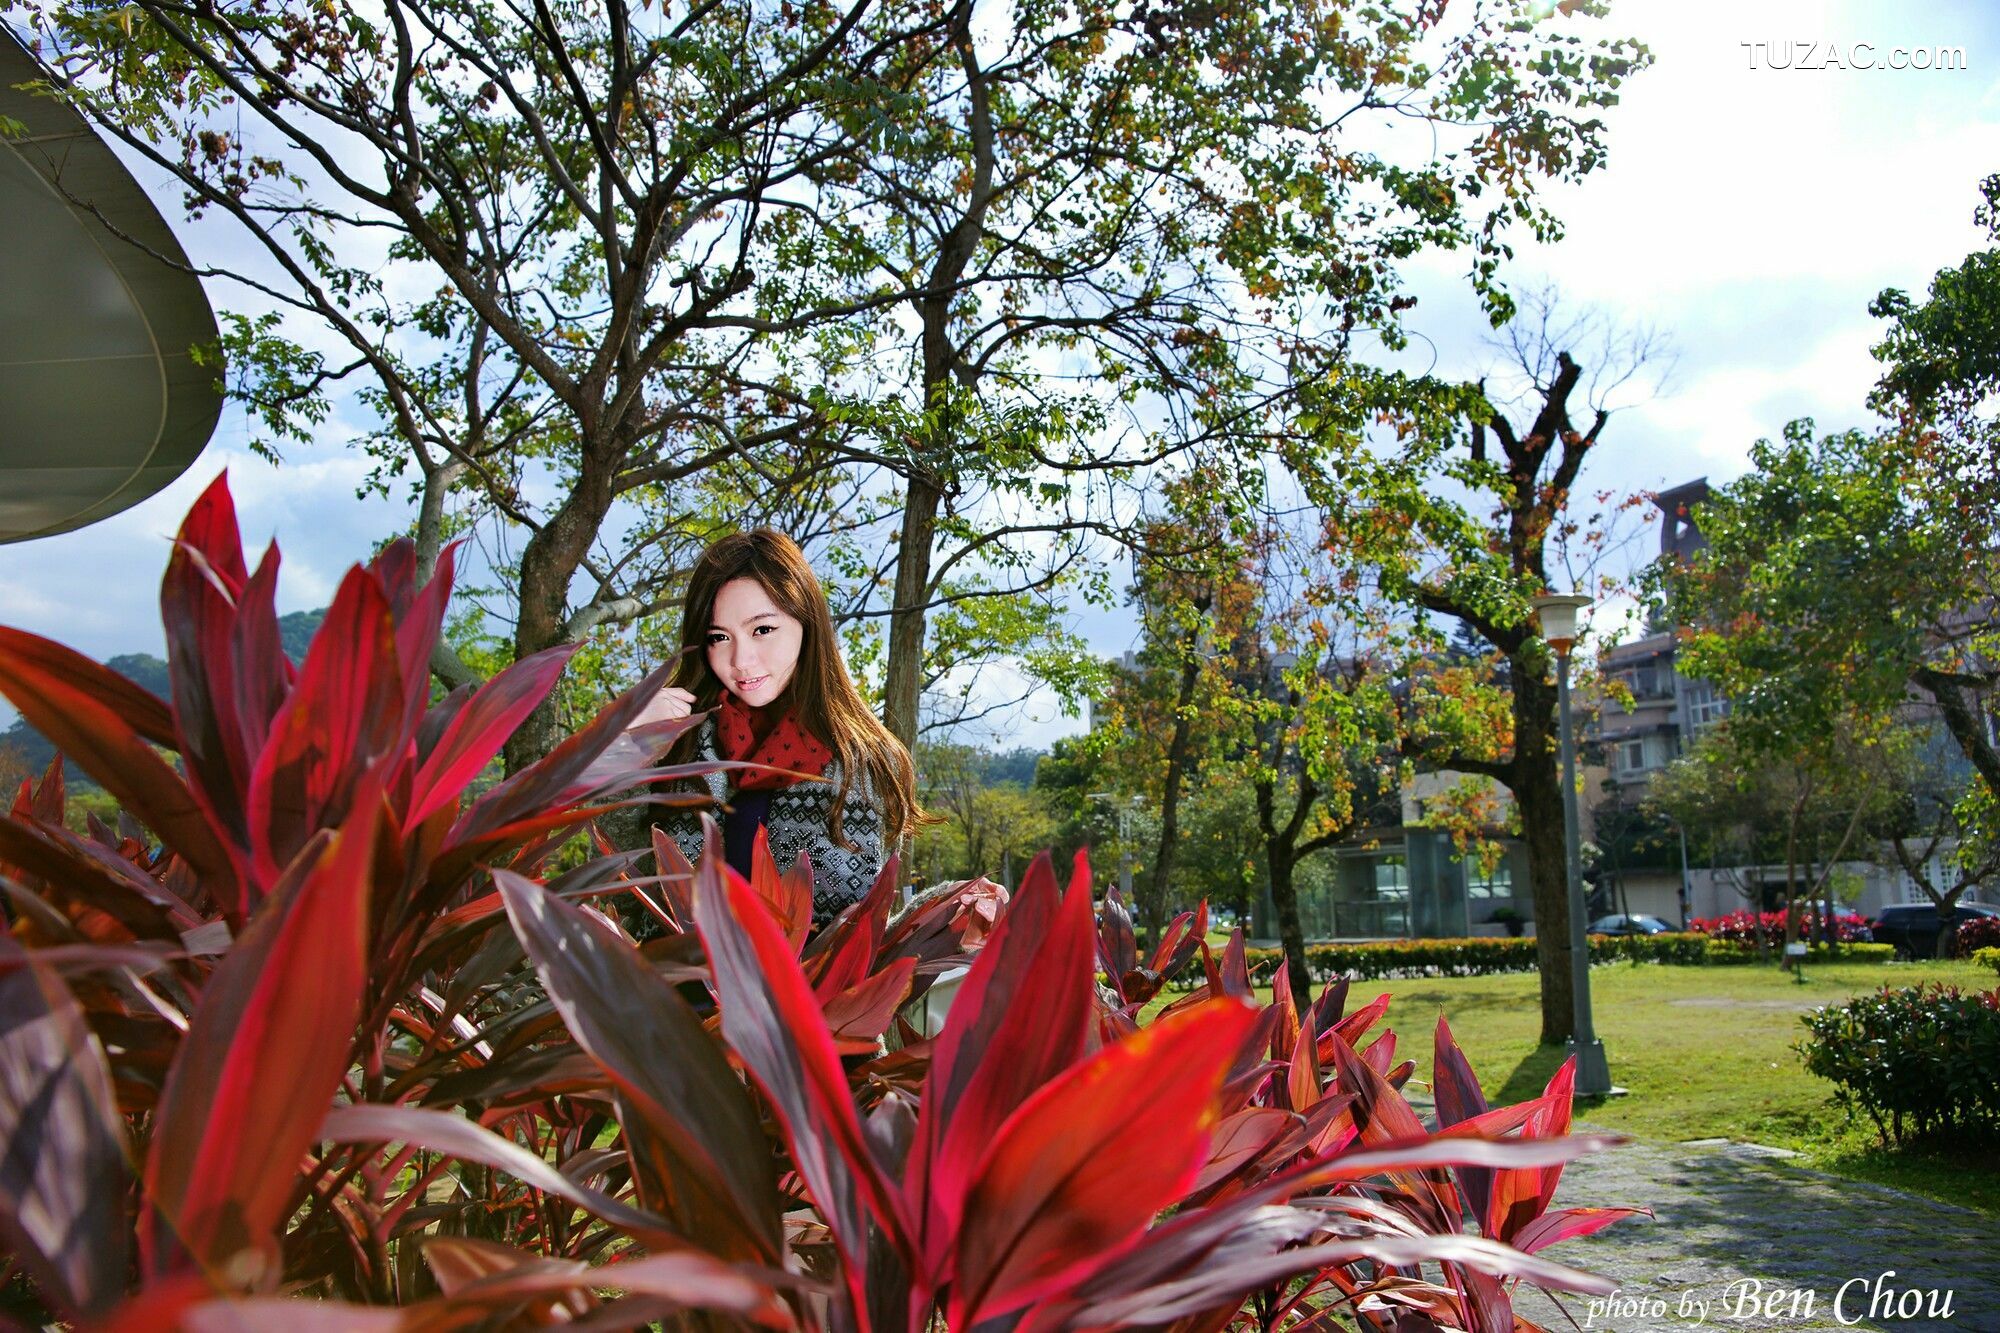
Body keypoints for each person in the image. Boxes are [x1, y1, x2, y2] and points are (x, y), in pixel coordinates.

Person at [622, 528, 924, 926]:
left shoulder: (867, 762)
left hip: (812, 969)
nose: (741, 660)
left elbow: (869, 925)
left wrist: (950, 911)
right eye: (719, 637)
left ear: (806, 622)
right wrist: (629, 747)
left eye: (762, 630)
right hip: (671, 967)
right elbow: (620, 893)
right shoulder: (679, 741)